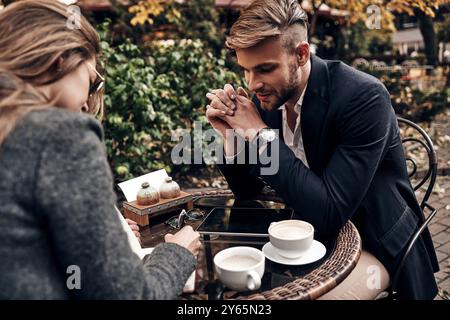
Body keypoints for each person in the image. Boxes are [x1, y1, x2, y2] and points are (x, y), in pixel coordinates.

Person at [206, 0, 439, 299]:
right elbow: (248, 192)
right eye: (245, 71)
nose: (253, 84)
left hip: (374, 241)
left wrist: (260, 134)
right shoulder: (270, 99)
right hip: (301, 236)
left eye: (265, 69)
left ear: (301, 54)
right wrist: (233, 138)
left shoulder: (363, 98)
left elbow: (331, 212)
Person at [0, 0, 200, 299]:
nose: (87, 104)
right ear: (62, 57)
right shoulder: (59, 136)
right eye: (93, 81)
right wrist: (177, 252)